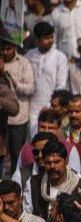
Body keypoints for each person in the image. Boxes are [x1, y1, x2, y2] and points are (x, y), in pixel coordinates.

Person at [22, 139, 81, 220]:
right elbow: (27, 216)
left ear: (66, 161)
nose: (52, 166)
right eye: (48, 163)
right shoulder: (33, 183)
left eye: (57, 162)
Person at [25, 22, 68, 137]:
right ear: (37, 40)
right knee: (33, 140)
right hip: (31, 107)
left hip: (50, 108)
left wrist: (50, 105)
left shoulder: (60, 57)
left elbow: (61, 85)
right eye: (46, 38)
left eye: (51, 37)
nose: (50, 40)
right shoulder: (29, 55)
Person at [1, 40, 35, 174]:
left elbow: (31, 89)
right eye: (2, 49)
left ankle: (16, 185)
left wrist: (15, 84)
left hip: (18, 119)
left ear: (14, 47)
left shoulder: (23, 63)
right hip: (2, 120)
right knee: (2, 154)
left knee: (16, 154)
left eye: (8, 49)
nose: (4, 52)